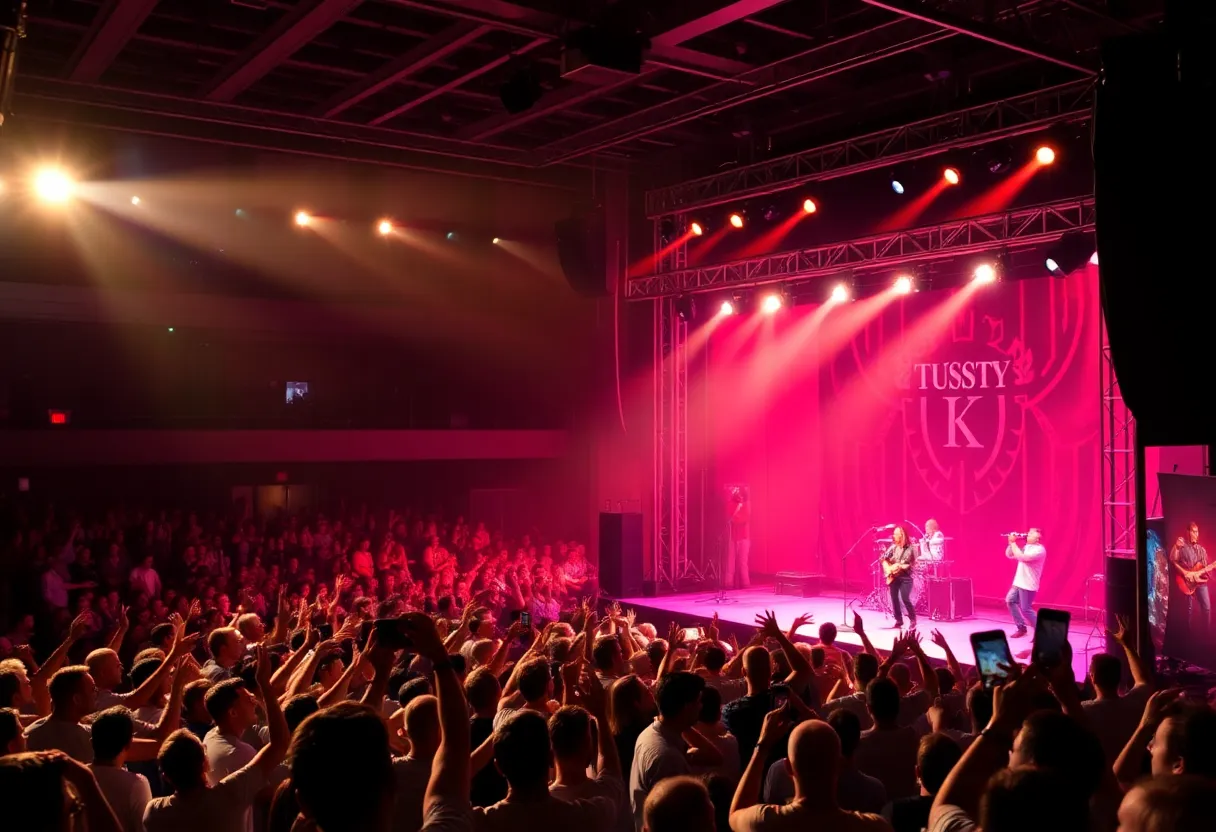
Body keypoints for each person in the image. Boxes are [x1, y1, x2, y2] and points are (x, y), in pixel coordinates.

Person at [730, 712, 891, 832]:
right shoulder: (875, 827)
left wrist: (762, 748)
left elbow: (736, 814)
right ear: (840, 765)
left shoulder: (766, 821)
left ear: (788, 768)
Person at [1168, 522, 1211, 652]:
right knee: (1188, 610)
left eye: (1197, 531)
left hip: (1200, 581)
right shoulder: (1182, 545)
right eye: (1193, 531)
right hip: (1186, 582)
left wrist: (1208, 570)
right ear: (1187, 532)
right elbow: (1173, 559)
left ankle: (1206, 636)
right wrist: (1176, 547)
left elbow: (1206, 567)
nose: (1195, 534)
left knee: (1207, 608)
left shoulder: (1202, 549)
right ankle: (1187, 637)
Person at [1004, 528, 1046, 637]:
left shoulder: (1039, 550)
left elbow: (1022, 557)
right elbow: (1010, 555)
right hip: (1019, 582)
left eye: (1032, 533)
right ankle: (1021, 627)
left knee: (1026, 609)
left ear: (1038, 538)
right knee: (1010, 601)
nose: (1028, 534)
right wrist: (1011, 543)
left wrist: (1013, 543)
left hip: (1028, 583)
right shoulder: (1027, 547)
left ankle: (1041, 632)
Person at [881, 527, 917, 630]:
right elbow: (883, 558)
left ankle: (913, 619)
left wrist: (896, 566)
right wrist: (888, 568)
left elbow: (904, 564)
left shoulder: (910, 548)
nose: (893, 536)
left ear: (902, 536)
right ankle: (899, 620)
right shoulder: (893, 548)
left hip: (906, 577)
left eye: (895, 534)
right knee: (894, 599)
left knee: (905, 598)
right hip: (894, 577)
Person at [725, 487, 751, 590]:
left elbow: (744, 518)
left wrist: (739, 508)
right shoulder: (731, 504)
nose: (739, 496)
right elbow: (733, 518)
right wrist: (738, 507)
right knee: (730, 562)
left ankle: (745, 583)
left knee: (743, 562)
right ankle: (728, 583)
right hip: (733, 537)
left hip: (744, 537)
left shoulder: (747, 504)